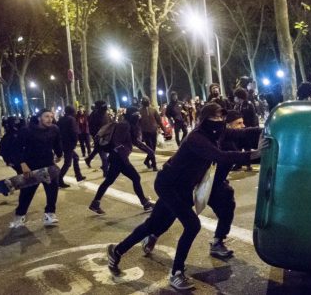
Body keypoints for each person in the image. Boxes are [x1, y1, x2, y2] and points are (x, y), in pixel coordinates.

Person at [106, 103, 260, 290]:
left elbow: (241, 133)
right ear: (205, 120)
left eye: (221, 118)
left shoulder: (216, 133)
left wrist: (266, 129)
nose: (219, 122)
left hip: (184, 188)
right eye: (215, 118)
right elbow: (221, 156)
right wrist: (254, 154)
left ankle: (116, 251)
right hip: (168, 185)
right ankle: (176, 273)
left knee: (152, 225)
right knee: (192, 225)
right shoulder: (197, 138)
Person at [141, 110, 262, 260]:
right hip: (190, 183)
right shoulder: (211, 138)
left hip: (215, 184)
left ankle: (218, 241)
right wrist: (254, 155)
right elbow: (224, 156)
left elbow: (248, 134)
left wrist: (267, 132)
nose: (242, 126)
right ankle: (153, 234)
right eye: (238, 123)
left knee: (227, 206)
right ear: (228, 125)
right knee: (169, 214)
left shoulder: (232, 136)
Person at [88, 107, 155, 215]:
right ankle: (145, 204)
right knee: (135, 177)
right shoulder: (124, 125)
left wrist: (149, 151)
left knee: (109, 181)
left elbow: (135, 141)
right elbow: (117, 142)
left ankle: (95, 203)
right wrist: (125, 159)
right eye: (136, 115)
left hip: (118, 158)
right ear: (131, 115)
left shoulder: (129, 125)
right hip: (118, 158)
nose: (138, 117)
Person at [9, 109, 63, 228]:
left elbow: (57, 144)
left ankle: (49, 215)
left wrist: (59, 154)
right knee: (26, 194)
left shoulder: (54, 129)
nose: (50, 119)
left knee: (52, 192)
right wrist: (22, 164)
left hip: (49, 167)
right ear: (39, 118)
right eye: (46, 116)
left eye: (51, 117)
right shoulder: (27, 130)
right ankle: (19, 216)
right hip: (32, 168)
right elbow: (16, 148)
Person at [57, 106, 86, 189]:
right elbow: (74, 132)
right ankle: (59, 179)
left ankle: (78, 176)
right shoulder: (71, 119)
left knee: (76, 157)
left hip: (63, 143)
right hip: (69, 144)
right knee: (67, 163)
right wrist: (74, 142)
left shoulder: (61, 119)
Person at [85, 101, 112, 176]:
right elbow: (91, 127)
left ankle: (88, 159)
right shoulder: (93, 115)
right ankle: (106, 172)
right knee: (103, 155)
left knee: (98, 150)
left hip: (106, 137)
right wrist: (95, 136)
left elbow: (109, 123)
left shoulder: (105, 113)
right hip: (98, 137)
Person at [139, 97, 163, 171]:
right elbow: (138, 122)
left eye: (147, 101)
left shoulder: (153, 110)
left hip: (153, 131)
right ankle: (154, 165)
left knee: (153, 148)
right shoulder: (139, 111)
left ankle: (146, 161)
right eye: (145, 101)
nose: (146, 102)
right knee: (150, 148)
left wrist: (162, 128)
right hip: (145, 132)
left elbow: (158, 120)